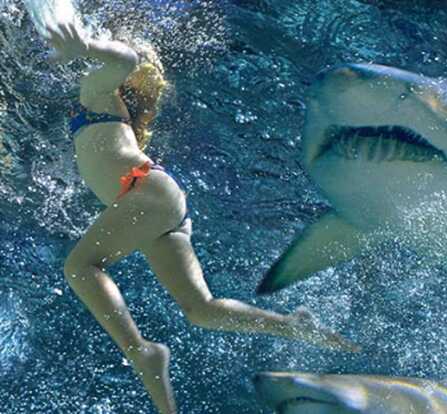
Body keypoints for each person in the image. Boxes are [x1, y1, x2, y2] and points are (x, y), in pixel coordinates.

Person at [46, 22, 355, 414]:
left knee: (81, 266)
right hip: (159, 202)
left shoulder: (97, 93)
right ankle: (290, 324)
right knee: (202, 309)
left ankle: (141, 351)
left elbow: (125, 59)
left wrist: (87, 45)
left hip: (147, 192)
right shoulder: (114, 112)